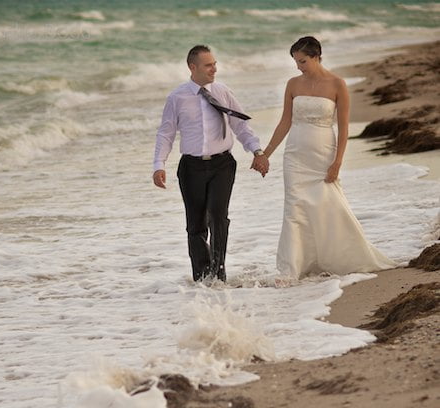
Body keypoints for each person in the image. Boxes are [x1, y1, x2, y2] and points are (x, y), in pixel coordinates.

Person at [259, 36, 394, 283]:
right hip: (295, 154)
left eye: (302, 61)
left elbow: (344, 128)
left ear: (317, 57)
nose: (298, 66)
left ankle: (335, 257)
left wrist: (337, 163)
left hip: (323, 153)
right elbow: (285, 122)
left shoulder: (337, 84)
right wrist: (265, 154)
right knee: (294, 207)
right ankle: (291, 270)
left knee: (327, 205)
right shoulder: (293, 84)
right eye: (296, 62)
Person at [153, 44, 269, 283]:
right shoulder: (177, 97)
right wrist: (159, 164)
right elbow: (166, 133)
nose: (214, 69)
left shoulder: (223, 91)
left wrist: (257, 151)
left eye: (214, 64)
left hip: (222, 165)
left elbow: (240, 126)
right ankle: (202, 277)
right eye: (208, 65)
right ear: (192, 67)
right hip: (191, 168)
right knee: (195, 225)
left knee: (218, 216)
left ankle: (218, 273)